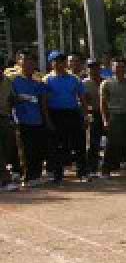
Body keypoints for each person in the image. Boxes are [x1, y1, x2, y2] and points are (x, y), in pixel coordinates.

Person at [11, 51, 54, 186]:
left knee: (38, 149)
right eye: (26, 61)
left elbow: (44, 101)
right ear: (20, 62)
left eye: (31, 62)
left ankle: (36, 175)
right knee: (26, 150)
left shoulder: (38, 82)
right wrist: (21, 98)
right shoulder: (14, 80)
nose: (29, 64)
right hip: (22, 121)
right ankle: (28, 177)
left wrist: (46, 121)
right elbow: (10, 99)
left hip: (38, 121)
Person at [45, 51, 87, 182]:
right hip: (55, 114)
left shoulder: (74, 78)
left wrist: (85, 116)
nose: (59, 64)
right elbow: (44, 103)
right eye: (56, 61)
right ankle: (58, 174)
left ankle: (82, 173)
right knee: (58, 146)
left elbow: (82, 98)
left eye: (62, 61)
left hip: (73, 113)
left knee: (79, 143)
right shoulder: (46, 80)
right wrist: (47, 120)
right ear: (51, 63)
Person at [80, 59, 104, 180]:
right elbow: (82, 100)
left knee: (111, 140)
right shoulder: (83, 83)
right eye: (91, 67)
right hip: (92, 113)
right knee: (93, 142)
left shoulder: (105, 81)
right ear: (87, 68)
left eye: (95, 67)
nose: (93, 69)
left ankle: (108, 166)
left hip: (105, 114)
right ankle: (92, 168)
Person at [0, 65, 17, 190]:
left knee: (7, 147)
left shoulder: (7, 81)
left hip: (5, 117)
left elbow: (12, 99)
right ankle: (5, 179)